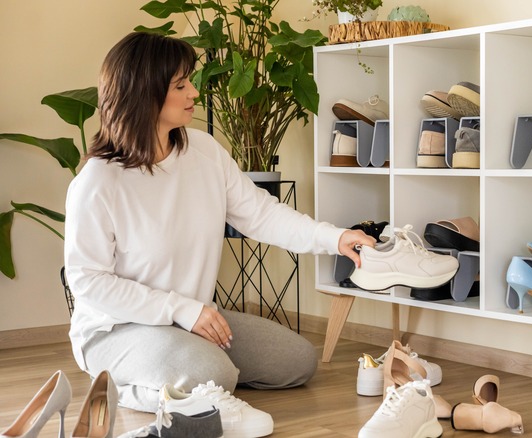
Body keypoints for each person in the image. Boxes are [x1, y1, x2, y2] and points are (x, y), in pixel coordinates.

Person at [63, 31, 375, 417]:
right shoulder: (98, 181)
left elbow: (262, 214)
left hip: (192, 320)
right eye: (181, 85)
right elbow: (88, 281)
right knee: (214, 374)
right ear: (144, 93)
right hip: (118, 330)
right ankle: (135, 388)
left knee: (296, 362)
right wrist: (180, 309)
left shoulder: (204, 152)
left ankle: (192, 379)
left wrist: (335, 237)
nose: (194, 92)